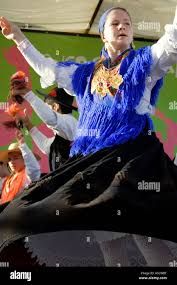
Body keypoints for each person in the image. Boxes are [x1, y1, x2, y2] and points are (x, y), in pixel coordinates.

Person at [0, 6, 177, 253]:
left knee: (143, 235)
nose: (122, 26)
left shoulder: (145, 63)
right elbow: (48, 69)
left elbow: (172, 41)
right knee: (108, 243)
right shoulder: (84, 75)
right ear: (103, 34)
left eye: (127, 23)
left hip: (133, 160)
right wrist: (19, 37)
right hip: (95, 163)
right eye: (115, 23)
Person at [0, 129, 41, 204]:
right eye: (9, 159)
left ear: (25, 159)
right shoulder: (7, 180)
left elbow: (34, 169)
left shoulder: (27, 175)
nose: (11, 162)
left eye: (15, 158)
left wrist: (23, 145)